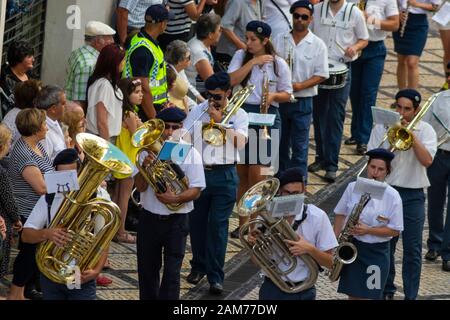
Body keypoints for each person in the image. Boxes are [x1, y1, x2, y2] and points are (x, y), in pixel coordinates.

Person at [368, 88, 437, 300]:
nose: (402, 112)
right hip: (387, 193)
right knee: (385, 246)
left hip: (413, 195)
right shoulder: (382, 127)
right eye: (398, 107)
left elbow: (427, 161)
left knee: (413, 250)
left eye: (407, 109)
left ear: (416, 111)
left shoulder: (426, 130)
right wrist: (392, 139)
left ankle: (411, 295)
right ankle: (387, 291)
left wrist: (412, 137)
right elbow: (373, 160)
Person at [183, 72, 249, 294]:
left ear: (228, 93)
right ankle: (198, 266)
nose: (213, 101)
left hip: (225, 174)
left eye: (218, 96)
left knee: (218, 228)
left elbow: (241, 144)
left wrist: (223, 123)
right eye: (209, 95)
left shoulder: (239, 114)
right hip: (200, 173)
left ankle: (216, 276)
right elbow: (184, 137)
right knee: (197, 224)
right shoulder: (198, 111)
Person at [228, 20, 292, 239]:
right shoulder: (241, 56)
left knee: (258, 174)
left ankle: (255, 223)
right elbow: (231, 80)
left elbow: (288, 93)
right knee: (242, 174)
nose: (248, 42)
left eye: (253, 39)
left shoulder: (278, 64)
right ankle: (243, 222)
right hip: (243, 114)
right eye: (247, 38)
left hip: (266, 116)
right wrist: (252, 62)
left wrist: (273, 96)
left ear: (265, 40)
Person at [134, 107, 206, 300]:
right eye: (166, 127)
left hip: (177, 221)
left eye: (175, 127)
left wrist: (174, 199)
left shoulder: (191, 153)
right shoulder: (146, 153)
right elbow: (140, 187)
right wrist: (144, 168)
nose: (169, 132)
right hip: (149, 218)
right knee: (147, 272)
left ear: (181, 128)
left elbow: (196, 190)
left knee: (172, 275)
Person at [21, 149, 107, 300]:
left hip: (78, 274)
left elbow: (104, 238)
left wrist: (97, 270)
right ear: (55, 173)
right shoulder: (49, 198)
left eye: (71, 175)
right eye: (61, 175)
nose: (66, 181)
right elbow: (26, 235)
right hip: (51, 273)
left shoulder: (98, 198)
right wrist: (47, 233)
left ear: (81, 173)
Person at [246, 167, 338, 300]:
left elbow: (331, 263)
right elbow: (256, 262)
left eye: (296, 193)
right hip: (271, 288)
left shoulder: (317, 217)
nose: (291, 198)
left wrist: (309, 249)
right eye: (287, 193)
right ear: (279, 193)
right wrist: (254, 247)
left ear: (304, 192)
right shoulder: (266, 217)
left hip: (303, 291)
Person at [308, 0, 369, 183]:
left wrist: (355, 47)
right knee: (318, 114)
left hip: (342, 68)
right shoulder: (317, 10)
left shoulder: (355, 13)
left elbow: (364, 39)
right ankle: (320, 157)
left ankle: (332, 165)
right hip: (318, 69)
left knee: (335, 116)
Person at [334, 148, 403, 299]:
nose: (375, 173)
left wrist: (368, 230)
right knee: (352, 296)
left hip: (376, 254)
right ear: (367, 167)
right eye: (372, 167)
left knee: (372, 295)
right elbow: (340, 213)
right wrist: (334, 242)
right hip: (353, 248)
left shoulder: (393, 196)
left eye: (380, 169)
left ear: (387, 172)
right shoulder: (353, 188)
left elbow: (395, 230)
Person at [272, 1, 329, 178]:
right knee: (280, 144)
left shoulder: (318, 44)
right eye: (296, 16)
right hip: (282, 100)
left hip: (303, 101)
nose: (299, 20)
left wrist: (299, 86)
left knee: (300, 146)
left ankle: (298, 184)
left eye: (304, 17)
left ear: (310, 19)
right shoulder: (279, 38)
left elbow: (322, 74)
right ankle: (280, 181)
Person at [7, 108, 53, 300]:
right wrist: (68, 182)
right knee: (29, 253)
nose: (47, 127)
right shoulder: (25, 153)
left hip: (39, 209)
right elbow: (41, 187)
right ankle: (16, 293)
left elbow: (47, 173)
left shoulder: (36, 145)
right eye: (44, 123)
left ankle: (27, 288)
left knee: (35, 252)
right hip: (28, 210)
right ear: (35, 129)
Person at [346, 0, 399, 155]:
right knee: (354, 93)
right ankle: (356, 133)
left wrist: (369, 19)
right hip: (354, 46)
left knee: (368, 93)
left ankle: (364, 138)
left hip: (375, 49)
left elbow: (394, 24)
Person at [123, 4, 175, 121]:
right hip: (144, 110)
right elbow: (144, 89)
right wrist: (154, 120)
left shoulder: (145, 41)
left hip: (152, 106)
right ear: (162, 24)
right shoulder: (143, 50)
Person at [423, 69, 450, 272]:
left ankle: (447, 252)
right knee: (435, 202)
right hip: (440, 155)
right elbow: (426, 128)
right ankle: (434, 243)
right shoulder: (436, 99)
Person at [113, 78, 144, 244]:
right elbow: (138, 138)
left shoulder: (124, 111)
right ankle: (121, 231)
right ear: (127, 94)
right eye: (137, 92)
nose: (141, 95)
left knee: (118, 196)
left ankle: (114, 229)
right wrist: (140, 125)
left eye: (141, 92)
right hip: (129, 159)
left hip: (122, 157)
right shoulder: (130, 114)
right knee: (123, 198)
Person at [65, 21, 116, 111]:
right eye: (109, 38)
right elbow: (81, 99)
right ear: (97, 42)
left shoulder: (78, 52)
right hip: (75, 115)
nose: (113, 41)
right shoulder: (89, 64)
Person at [393, 0, 441, 90]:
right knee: (401, 60)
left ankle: (411, 98)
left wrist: (416, 4)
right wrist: (396, 14)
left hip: (418, 23)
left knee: (412, 62)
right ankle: (401, 95)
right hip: (401, 19)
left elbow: (436, 6)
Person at [86, 44, 125, 143]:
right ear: (114, 63)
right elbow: (101, 122)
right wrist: (107, 147)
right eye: (122, 60)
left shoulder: (105, 83)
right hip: (102, 138)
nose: (124, 63)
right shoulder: (104, 86)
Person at [0, 124, 21, 284]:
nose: (9, 147)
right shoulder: (1, 172)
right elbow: (8, 199)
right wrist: (16, 219)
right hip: (3, 220)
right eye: (8, 143)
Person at [215, 0, 264, 67]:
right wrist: (242, 46)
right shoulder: (237, 2)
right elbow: (225, 26)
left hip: (245, 53)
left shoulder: (258, 2)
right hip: (230, 54)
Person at [185, 13, 222, 98]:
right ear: (210, 35)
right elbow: (212, 83)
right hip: (194, 96)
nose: (220, 33)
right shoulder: (199, 53)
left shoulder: (200, 42)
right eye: (219, 30)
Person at [165, 40, 205, 107]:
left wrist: (204, 102)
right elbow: (183, 97)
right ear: (180, 61)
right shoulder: (169, 75)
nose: (190, 59)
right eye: (188, 57)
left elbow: (188, 87)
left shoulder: (179, 69)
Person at [0, 41, 35, 119]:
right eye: (29, 56)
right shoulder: (7, 79)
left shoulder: (29, 72)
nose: (33, 59)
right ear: (19, 58)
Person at [2, 79, 41, 146]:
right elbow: (4, 147)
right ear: (33, 99)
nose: (42, 98)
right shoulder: (12, 118)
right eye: (40, 96)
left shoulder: (32, 113)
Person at [34, 85, 67, 161]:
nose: (66, 106)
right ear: (53, 109)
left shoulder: (54, 120)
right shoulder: (43, 132)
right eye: (63, 103)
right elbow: (44, 165)